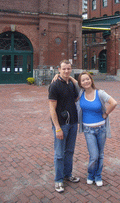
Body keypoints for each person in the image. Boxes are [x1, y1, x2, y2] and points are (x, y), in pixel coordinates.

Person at [75, 72, 117, 186]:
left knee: (100, 154)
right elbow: (70, 79)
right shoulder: (80, 94)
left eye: (87, 79)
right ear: (80, 83)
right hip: (88, 130)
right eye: (83, 80)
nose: (86, 82)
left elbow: (114, 103)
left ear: (91, 80)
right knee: (94, 155)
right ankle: (90, 174)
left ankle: (98, 175)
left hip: (101, 128)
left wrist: (106, 113)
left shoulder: (100, 93)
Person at [48, 60, 80, 193]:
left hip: (73, 124)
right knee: (59, 154)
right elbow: (51, 109)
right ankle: (59, 180)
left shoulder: (71, 84)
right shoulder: (54, 85)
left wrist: (71, 78)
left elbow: (78, 95)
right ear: (58, 69)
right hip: (61, 125)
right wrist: (57, 128)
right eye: (64, 69)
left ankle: (67, 175)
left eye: (68, 69)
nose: (66, 71)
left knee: (70, 152)